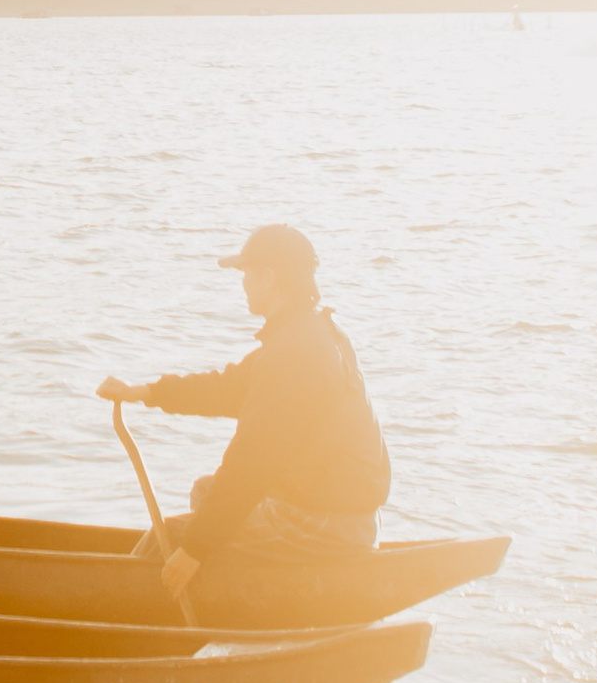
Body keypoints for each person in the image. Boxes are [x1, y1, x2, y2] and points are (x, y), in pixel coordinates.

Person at [100, 224, 390, 607]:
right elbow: (230, 387)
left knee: (168, 538)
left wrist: (194, 550)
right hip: (337, 510)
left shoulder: (293, 352)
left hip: (326, 523)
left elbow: (252, 462)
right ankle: (249, 598)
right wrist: (147, 393)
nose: (243, 284)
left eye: (246, 273)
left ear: (269, 277)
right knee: (206, 494)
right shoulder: (308, 332)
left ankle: (113, 609)